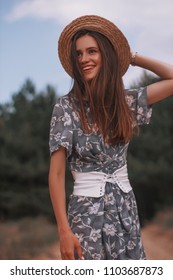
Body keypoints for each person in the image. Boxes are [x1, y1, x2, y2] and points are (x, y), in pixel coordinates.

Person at [48, 15, 173, 260]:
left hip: (125, 207)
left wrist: (131, 57)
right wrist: (63, 231)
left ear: (106, 55)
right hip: (85, 213)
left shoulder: (125, 102)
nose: (84, 59)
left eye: (92, 51)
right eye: (78, 54)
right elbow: (57, 174)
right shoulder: (65, 108)